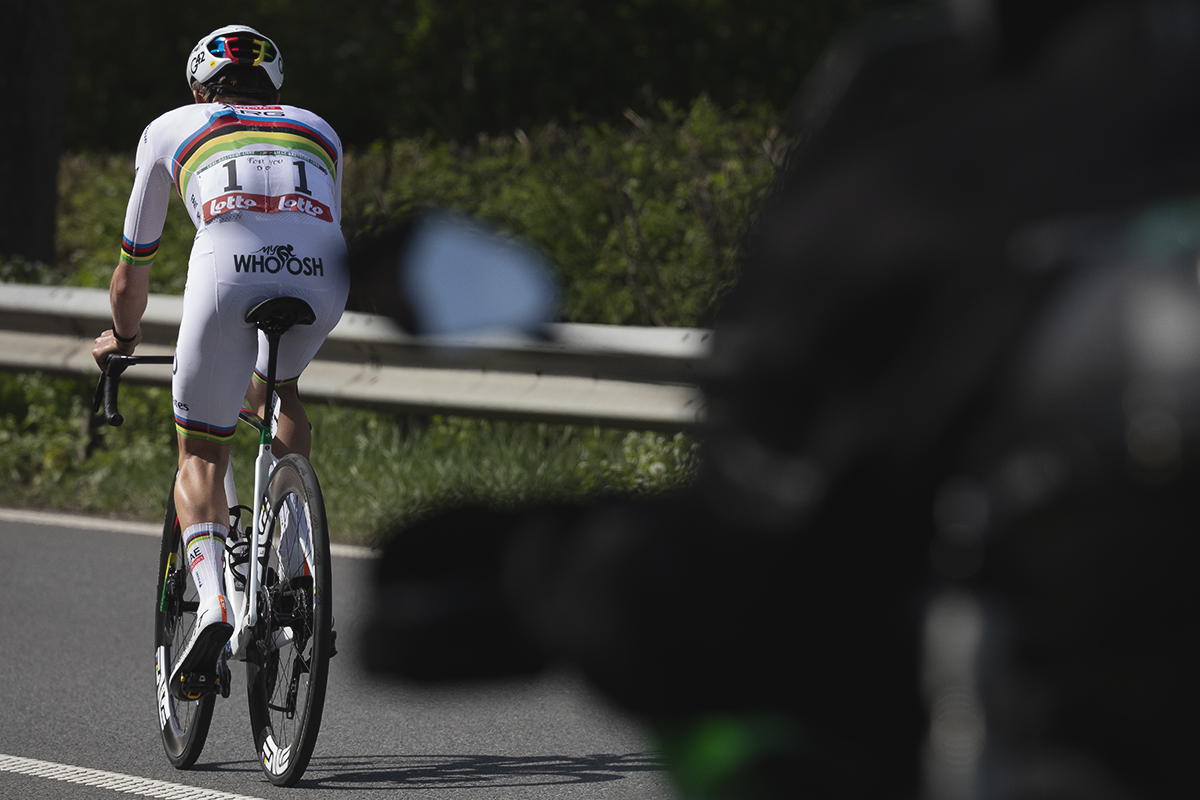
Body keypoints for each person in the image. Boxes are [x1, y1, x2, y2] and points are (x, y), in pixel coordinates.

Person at [92, 25, 348, 697]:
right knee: (277, 388)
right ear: (276, 86)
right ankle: (292, 568)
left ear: (199, 88)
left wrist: (121, 339)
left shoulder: (169, 127)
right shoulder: (319, 128)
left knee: (201, 453)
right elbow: (313, 223)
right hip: (323, 276)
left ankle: (215, 603)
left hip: (227, 270)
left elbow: (131, 276)